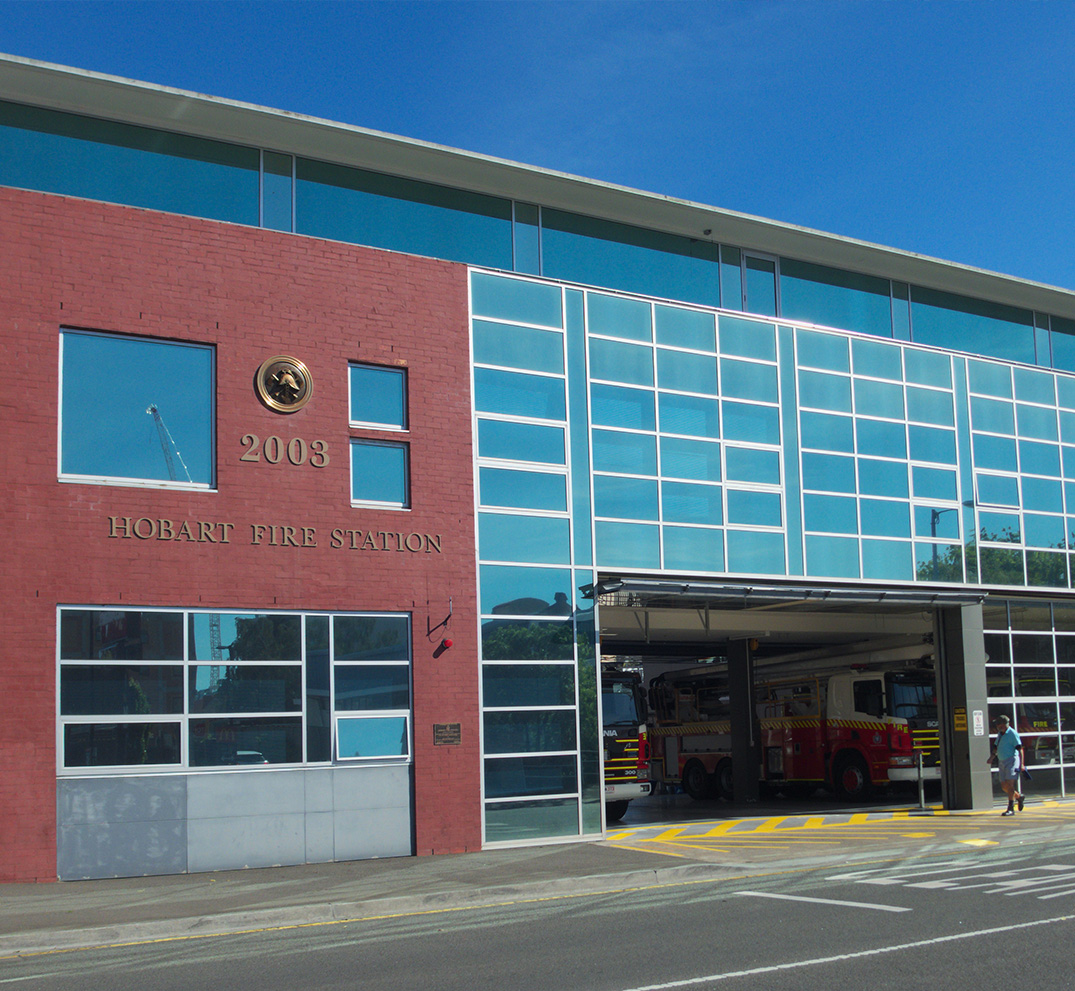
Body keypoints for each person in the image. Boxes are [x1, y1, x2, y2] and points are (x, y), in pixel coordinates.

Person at [988, 714, 1025, 816]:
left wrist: (1021, 764)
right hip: (1002, 761)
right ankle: (1018, 797)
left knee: (1010, 784)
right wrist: (992, 757)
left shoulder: (1012, 734)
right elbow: (996, 746)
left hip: (1012, 760)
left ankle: (1010, 808)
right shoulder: (1000, 734)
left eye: (998, 724)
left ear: (1004, 724)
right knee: (1004, 786)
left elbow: (1020, 749)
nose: (997, 727)